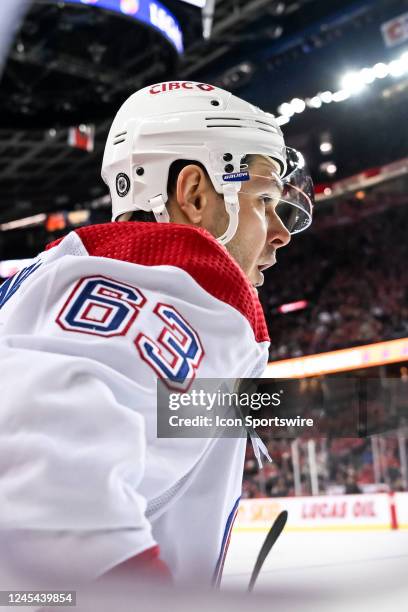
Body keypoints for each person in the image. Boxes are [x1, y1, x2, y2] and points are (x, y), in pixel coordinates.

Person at [0, 81, 313, 589]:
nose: (280, 232)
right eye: (263, 200)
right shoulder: (185, 281)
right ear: (193, 194)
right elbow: (46, 489)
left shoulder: (47, 277)